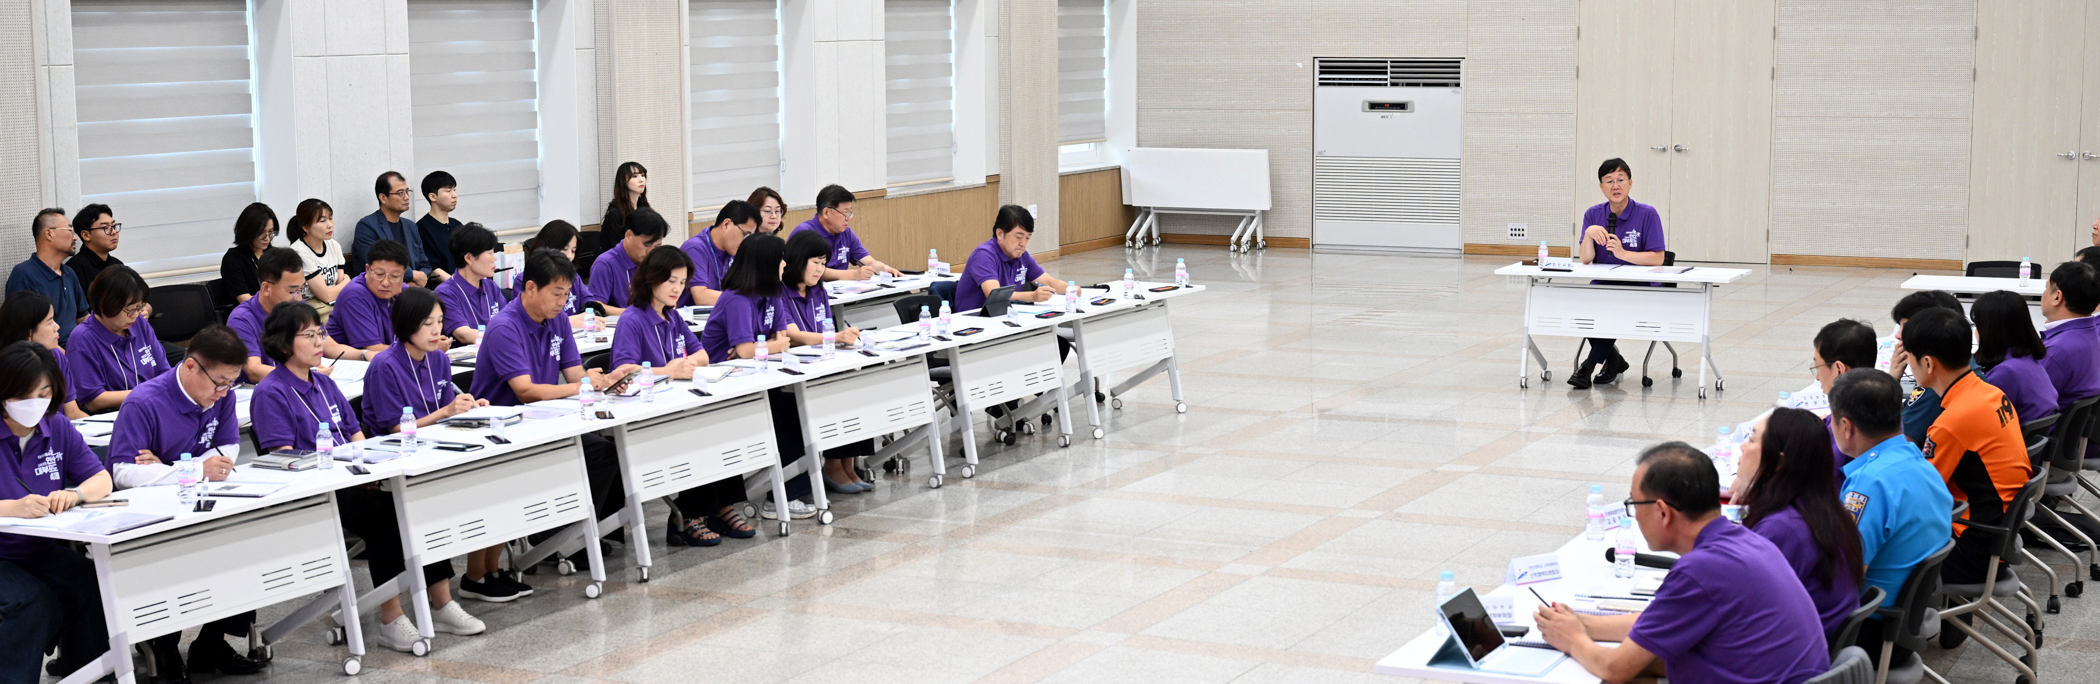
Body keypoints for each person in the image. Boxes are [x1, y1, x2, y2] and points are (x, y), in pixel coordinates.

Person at [250, 301, 487, 649]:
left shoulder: (324, 384)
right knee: (386, 521)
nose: (320, 342)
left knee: (419, 504)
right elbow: (285, 459)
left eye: (321, 333)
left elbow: (357, 436)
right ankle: (390, 619)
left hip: (354, 477)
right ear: (285, 343)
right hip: (316, 491)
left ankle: (442, 602)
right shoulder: (270, 391)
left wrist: (374, 468)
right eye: (309, 335)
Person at [1534, 442, 1829, 684]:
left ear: (1662, 512)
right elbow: (1656, 625)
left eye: (1635, 504)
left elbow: (1616, 668)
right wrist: (1581, 623)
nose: (1635, 516)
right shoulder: (1745, 540)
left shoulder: (1701, 571)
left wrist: (1574, 640)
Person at [103, 326, 263, 678]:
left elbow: (227, 452)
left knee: (248, 544)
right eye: (219, 382)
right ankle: (162, 648)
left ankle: (211, 642)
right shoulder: (144, 402)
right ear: (191, 367)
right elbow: (125, 472)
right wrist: (193, 469)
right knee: (174, 564)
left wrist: (171, 467)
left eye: (230, 384)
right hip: (153, 516)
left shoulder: (222, 396)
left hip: (201, 502)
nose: (223, 393)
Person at [469, 250, 638, 566]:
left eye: (567, 295)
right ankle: (554, 538)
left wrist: (606, 379)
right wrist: (582, 386)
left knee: (606, 452)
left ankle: (577, 533)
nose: (563, 302)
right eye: (557, 294)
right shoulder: (504, 326)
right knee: (583, 456)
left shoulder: (557, 320)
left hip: (547, 420)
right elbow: (526, 391)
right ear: (531, 288)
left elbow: (576, 375)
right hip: (506, 428)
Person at [360, 288, 527, 606]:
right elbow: (397, 428)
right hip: (400, 462)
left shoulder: (438, 359)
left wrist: (469, 405)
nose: (437, 330)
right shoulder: (385, 365)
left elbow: (445, 403)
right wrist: (446, 412)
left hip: (438, 451)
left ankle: (483, 572)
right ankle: (464, 581)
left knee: (501, 480)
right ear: (407, 324)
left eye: (440, 321)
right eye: (427, 323)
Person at [611, 246, 759, 545]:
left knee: (722, 423)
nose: (678, 289)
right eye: (671, 282)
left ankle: (722, 506)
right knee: (699, 432)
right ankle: (689, 515)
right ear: (651, 279)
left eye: (682, 282)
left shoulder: (673, 316)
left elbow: (702, 354)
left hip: (678, 400)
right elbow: (623, 371)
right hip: (647, 412)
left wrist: (685, 365)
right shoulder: (632, 319)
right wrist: (667, 370)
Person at [0, 341, 112, 683]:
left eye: (44, 392)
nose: (35, 403)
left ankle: (88, 675)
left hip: (40, 548)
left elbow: (101, 479)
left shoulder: (57, 426)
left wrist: (74, 494)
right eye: (23, 396)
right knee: (31, 603)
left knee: (92, 583)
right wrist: (13, 508)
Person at [1829, 368, 1953, 666]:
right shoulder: (1919, 462)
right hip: (1899, 619)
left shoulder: (1871, 484)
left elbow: (1844, 575)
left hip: (1865, 630)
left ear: (1846, 425)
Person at [1904, 307, 2033, 586]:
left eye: (1909, 359)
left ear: (1927, 363)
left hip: (1971, 548)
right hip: (1998, 534)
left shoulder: (1951, 422)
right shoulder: (1990, 393)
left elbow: (1919, 495)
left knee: (1877, 557)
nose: (1908, 367)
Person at [1731, 408, 1866, 643]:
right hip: (1814, 646)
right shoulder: (1820, 509)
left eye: (1751, 439)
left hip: (1788, 656)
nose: (1743, 447)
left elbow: (1740, 606)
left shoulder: (1782, 529)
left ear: (1779, 461)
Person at [782, 231, 874, 495]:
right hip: (798, 366)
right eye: (815, 262)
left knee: (855, 385)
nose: (820, 269)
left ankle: (848, 463)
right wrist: (834, 338)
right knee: (838, 394)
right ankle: (833, 465)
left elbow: (828, 327)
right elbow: (794, 335)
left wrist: (844, 340)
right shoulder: (781, 292)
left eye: (824, 264)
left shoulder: (818, 290)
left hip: (823, 361)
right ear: (798, 260)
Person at [1568, 158, 1665, 389]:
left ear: (1630, 183)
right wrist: (1589, 234)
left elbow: (1658, 258)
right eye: (1609, 181)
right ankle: (1614, 360)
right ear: (1601, 187)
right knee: (1584, 309)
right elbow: (1586, 258)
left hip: (1639, 285)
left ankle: (1588, 366)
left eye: (1621, 180)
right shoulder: (1593, 214)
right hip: (1604, 284)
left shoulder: (1647, 214)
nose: (1615, 186)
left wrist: (1623, 253)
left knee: (1612, 308)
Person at [68, 266, 167, 413]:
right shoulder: (82, 339)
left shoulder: (138, 323)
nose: (134, 315)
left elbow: (163, 370)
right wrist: (146, 394)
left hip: (152, 407)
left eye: (138, 307)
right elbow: (93, 400)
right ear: (105, 304)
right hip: (114, 416)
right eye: (129, 309)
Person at [957, 204, 1070, 312]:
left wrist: (1071, 290)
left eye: (1027, 238)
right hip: (974, 320)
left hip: (1005, 316)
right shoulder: (984, 255)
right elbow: (994, 294)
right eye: (1018, 237)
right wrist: (1032, 296)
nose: (1023, 243)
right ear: (1000, 234)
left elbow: (1049, 281)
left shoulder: (1022, 255)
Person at [699, 233, 791, 364]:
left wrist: (754, 349)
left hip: (750, 366)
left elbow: (781, 336)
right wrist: (758, 349)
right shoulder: (737, 299)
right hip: (720, 370)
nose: (784, 264)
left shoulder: (773, 292)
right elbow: (747, 351)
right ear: (765, 265)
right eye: (780, 259)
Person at [1889, 290, 1964, 444]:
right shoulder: (1963, 366)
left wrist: (1889, 383)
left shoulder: (1937, 384)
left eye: (1905, 327)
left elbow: (1900, 442)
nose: (1898, 335)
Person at [6, 208, 90, 345]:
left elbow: (83, 318)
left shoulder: (70, 273)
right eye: (70, 231)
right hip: (50, 358)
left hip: (77, 350)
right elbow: (26, 335)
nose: (75, 237)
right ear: (49, 234)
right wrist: (69, 359)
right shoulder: (23, 274)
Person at [1973, 289, 2057, 425]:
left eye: (1978, 326)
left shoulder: (2005, 373)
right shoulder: (2030, 360)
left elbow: (1980, 421)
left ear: (1989, 331)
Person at [227, 247, 308, 383]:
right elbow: (254, 371)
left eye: (302, 289)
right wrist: (302, 375)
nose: (299, 298)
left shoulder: (298, 307)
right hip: (256, 393)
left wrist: (358, 355)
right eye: (292, 291)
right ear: (266, 288)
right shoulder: (241, 320)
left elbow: (331, 347)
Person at [0, 293, 86, 419]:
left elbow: (72, 411)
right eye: (50, 322)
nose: (57, 327)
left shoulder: (57, 357)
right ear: (28, 333)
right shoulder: (7, 367)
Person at [790, 184, 901, 281]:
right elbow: (811, 270)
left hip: (842, 294)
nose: (848, 218)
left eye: (850, 213)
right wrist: (854, 274)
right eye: (845, 213)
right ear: (826, 212)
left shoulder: (845, 232)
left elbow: (868, 261)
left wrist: (885, 269)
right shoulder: (805, 232)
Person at [328, 239, 415, 358]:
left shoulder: (404, 293)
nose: (385, 283)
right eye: (379, 274)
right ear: (367, 270)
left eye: (395, 276)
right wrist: (420, 350)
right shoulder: (354, 295)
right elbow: (374, 349)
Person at [352, 171, 437, 287]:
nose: (406, 197)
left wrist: (416, 280)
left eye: (407, 192)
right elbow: (375, 266)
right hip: (381, 291)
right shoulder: (367, 226)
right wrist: (411, 276)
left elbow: (425, 265)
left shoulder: (411, 226)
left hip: (415, 291)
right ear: (383, 198)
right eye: (400, 193)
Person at [1813, 319, 1878, 468]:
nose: (1817, 377)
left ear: (1839, 369)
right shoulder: (1885, 404)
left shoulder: (1845, 429)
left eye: (1818, 367)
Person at [2039, 260, 2100, 417]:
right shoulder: (2091, 334)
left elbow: (2028, 401)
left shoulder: (2057, 351)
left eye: (2046, 288)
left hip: (2047, 435)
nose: (2043, 294)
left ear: (2057, 297)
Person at [524, 220, 603, 327]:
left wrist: (591, 313)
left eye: (573, 251)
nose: (569, 256)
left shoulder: (573, 277)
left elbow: (588, 301)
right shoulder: (527, 279)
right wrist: (569, 322)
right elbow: (529, 321)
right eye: (564, 249)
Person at [589, 206, 669, 312]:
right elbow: (596, 306)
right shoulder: (605, 264)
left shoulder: (655, 260)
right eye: (647, 244)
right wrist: (634, 315)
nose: (650, 251)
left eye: (656, 246)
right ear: (629, 235)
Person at [437, 223, 507, 344]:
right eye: (490, 253)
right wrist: (502, 338)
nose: (494, 258)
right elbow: (463, 334)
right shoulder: (445, 293)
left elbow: (508, 322)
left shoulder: (491, 287)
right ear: (469, 258)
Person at [681, 200, 761, 305]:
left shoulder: (733, 250)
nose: (746, 241)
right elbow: (701, 297)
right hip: (691, 319)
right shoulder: (695, 249)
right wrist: (745, 298)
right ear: (726, 224)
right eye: (745, 234)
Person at [288, 198, 348, 309]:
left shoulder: (334, 245)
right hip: (310, 306)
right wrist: (348, 280)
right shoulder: (299, 252)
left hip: (335, 302)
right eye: (322, 221)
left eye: (330, 218)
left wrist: (342, 285)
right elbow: (327, 296)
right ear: (306, 227)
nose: (330, 225)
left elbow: (340, 285)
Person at [219, 202, 278, 308]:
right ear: (248, 231)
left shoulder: (276, 255)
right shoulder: (233, 259)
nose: (267, 238)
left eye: (270, 232)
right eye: (261, 233)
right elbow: (244, 299)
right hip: (249, 315)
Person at [66, 204, 121, 287]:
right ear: (86, 235)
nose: (113, 232)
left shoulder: (117, 264)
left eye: (114, 226)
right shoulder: (74, 269)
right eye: (105, 227)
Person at [599, 161, 651, 248]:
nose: (641, 180)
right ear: (623, 181)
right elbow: (611, 246)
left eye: (643, 175)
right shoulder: (615, 213)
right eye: (635, 176)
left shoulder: (644, 208)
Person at [417, 171, 461, 272]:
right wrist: (457, 286)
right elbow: (432, 268)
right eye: (448, 191)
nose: (454, 195)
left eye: (454, 190)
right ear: (433, 197)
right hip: (441, 286)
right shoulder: (422, 228)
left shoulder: (457, 225)